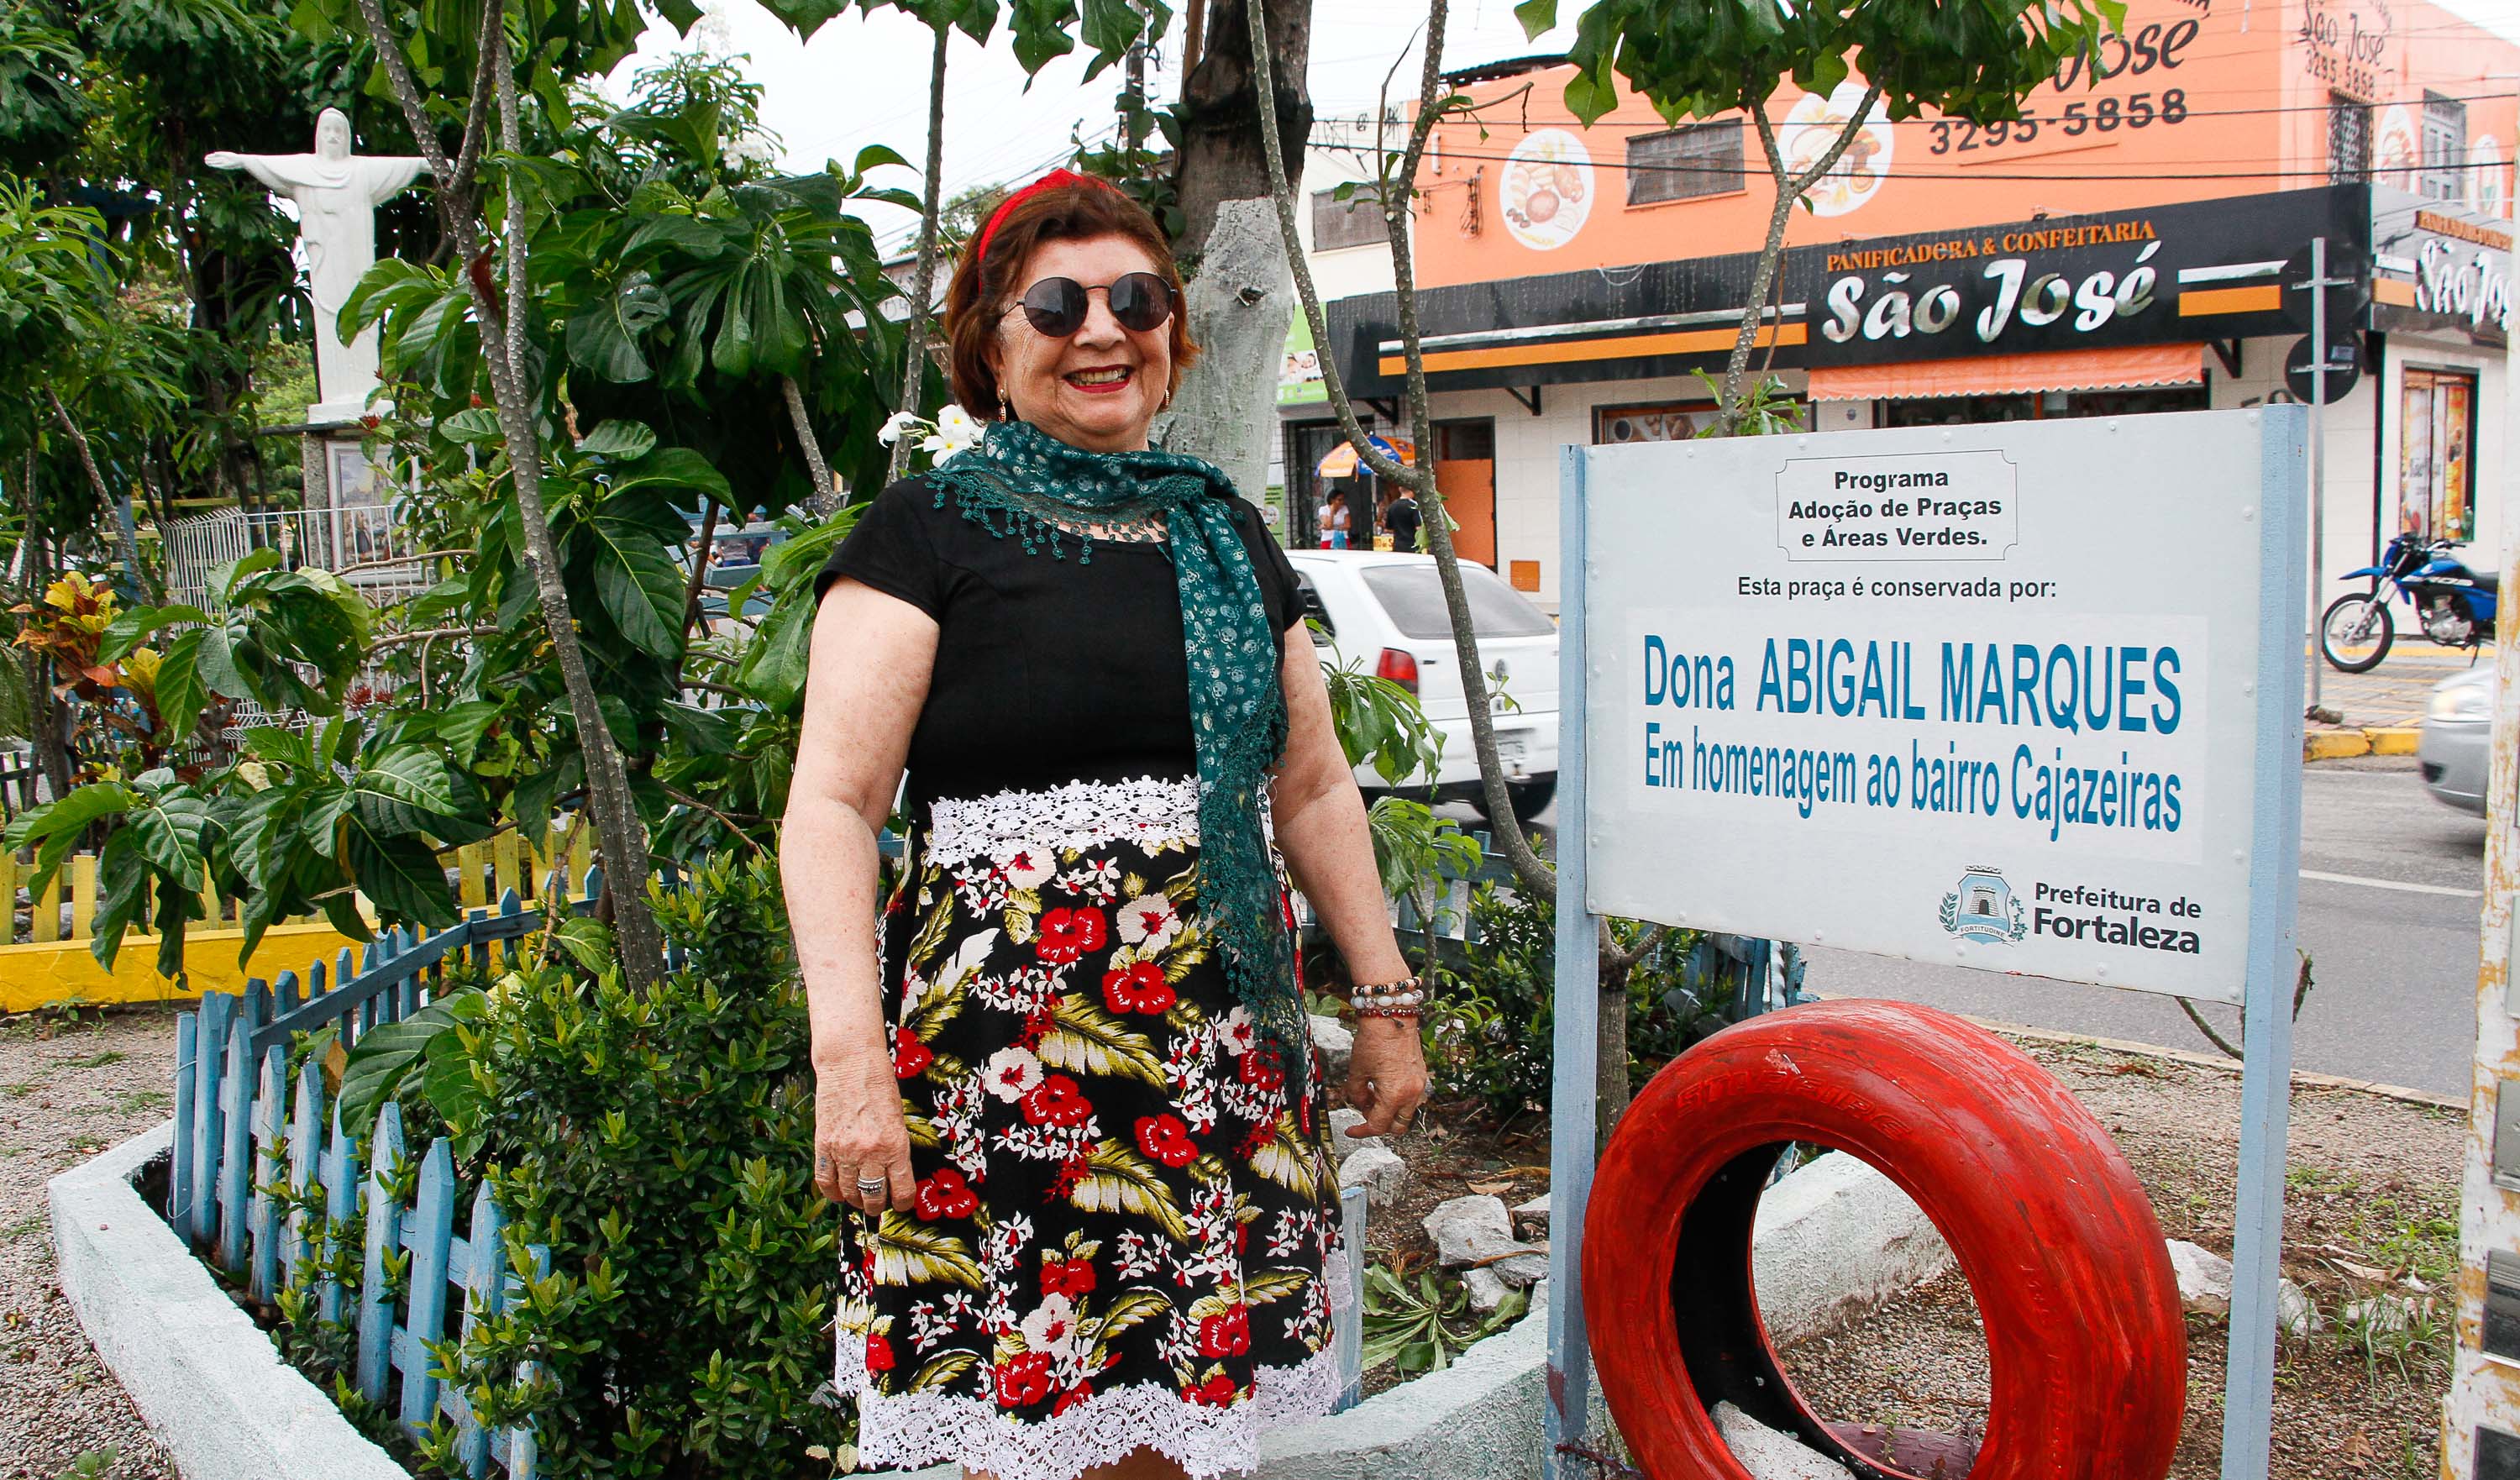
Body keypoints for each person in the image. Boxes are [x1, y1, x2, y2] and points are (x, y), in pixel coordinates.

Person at [784, 169, 1431, 1480]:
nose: (1102, 329)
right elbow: (833, 809)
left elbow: (1306, 789)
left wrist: (1385, 998)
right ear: (990, 340)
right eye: (1058, 301)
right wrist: (848, 1061)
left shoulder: (1224, 533)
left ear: (1172, 331)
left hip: (1216, 1064)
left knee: (1173, 1435)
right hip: (1007, 1075)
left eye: (1136, 298)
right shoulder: (925, 531)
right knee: (1016, 1425)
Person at [1382, 488, 1421, 554]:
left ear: (1400, 490)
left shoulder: (1392, 506)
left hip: (1397, 546)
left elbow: (1388, 529)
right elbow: (1419, 528)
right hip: (1412, 546)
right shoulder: (1414, 506)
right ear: (1412, 491)